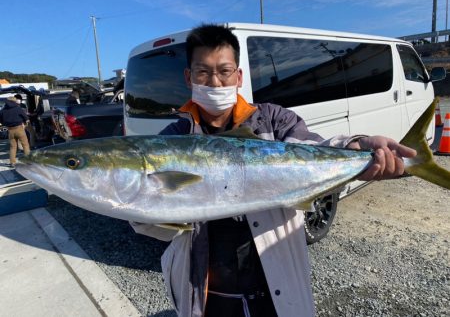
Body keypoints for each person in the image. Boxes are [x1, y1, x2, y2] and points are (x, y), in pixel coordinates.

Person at [130, 24, 416, 317]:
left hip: (274, 289)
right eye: (203, 72)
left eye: (224, 71)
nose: (215, 82)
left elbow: (314, 149)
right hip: (206, 293)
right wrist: (133, 204)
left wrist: (357, 147)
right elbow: (152, 226)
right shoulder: (171, 140)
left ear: (238, 77)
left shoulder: (272, 122)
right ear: (189, 78)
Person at [0, 96, 31, 167]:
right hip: (19, 128)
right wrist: (25, 124)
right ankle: (28, 161)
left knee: (12, 147)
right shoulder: (18, 108)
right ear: (14, 101)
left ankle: (12, 162)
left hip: (10, 130)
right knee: (25, 145)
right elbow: (26, 118)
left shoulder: (3, 110)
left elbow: (1, 121)